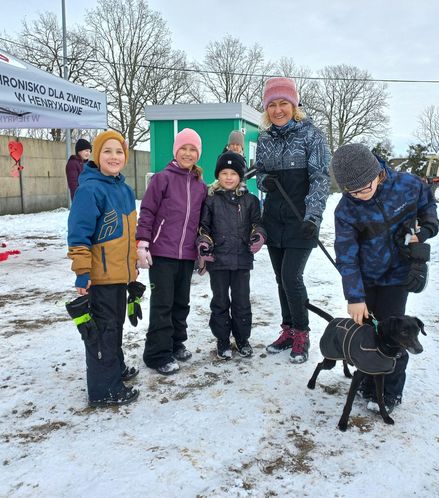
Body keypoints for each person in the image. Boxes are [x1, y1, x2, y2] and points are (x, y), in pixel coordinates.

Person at [331, 143, 439, 412]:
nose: (361, 195)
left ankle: (391, 391)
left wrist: (424, 232)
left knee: (393, 335)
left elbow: (429, 208)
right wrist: (355, 297)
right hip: (366, 279)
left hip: (398, 276)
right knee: (368, 333)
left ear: (378, 173)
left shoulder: (409, 185)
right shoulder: (346, 210)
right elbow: (346, 255)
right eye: (352, 191)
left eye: (365, 188)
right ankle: (368, 381)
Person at [255, 76, 331, 364]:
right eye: (272, 105)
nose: (278, 110)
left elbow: (321, 180)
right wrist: (266, 182)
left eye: (283, 103)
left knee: (291, 277)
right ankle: (287, 330)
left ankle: (302, 332)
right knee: (280, 278)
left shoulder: (312, 136)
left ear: (294, 105)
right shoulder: (265, 138)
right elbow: (259, 174)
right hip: (275, 218)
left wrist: (313, 217)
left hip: (301, 219)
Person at [67, 130, 140, 407]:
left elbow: (130, 235)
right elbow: (78, 235)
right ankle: (103, 389)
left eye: (119, 151)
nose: (114, 156)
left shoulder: (124, 189)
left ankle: (115, 369)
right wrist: (82, 272)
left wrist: (132, 267)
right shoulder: (90, 189)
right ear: (97, 156)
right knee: (104, 331)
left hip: (120, 276)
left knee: (116, 326)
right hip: (100, 276)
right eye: (107, 151)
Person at [136, 128, 208, 375]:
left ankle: (176, 343)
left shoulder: (200, 186)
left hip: (186, 255)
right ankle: (156, 354)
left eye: (193, 150)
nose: (188, 153)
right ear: (176, 151)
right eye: (184, 148)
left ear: (198, 154)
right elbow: (147, 212)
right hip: (162, 253)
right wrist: (143, 243)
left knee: (181, 303)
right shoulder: (161, 178)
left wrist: (200, 251)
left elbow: (201, 222)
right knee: (162, 304)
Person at [196, 151, 266, 360]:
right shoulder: (210, 200)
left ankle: (243, 339)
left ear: (240, 176)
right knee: (220, 301)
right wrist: (204, 242)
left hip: (242, 260)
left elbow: (258, 224)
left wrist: (259, 235)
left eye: (233, 173)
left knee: (242, 301)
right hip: (217, 261)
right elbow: (203, 227)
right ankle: (223, 340)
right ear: (218, 175)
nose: (228, 177)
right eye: (224, 173)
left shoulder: (251, 201)